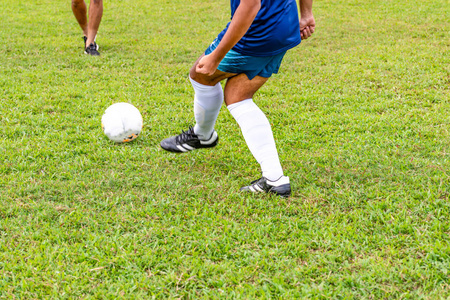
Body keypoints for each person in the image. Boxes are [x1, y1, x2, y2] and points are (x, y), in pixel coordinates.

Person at [160, 0, 315, 198]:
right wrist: (306, 13)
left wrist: (216, 57)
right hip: (285, 25)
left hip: (258, 30)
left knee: (200, 74)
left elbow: (250, 5)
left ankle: (203, 136)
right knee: (238, 97)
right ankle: (275, 179)